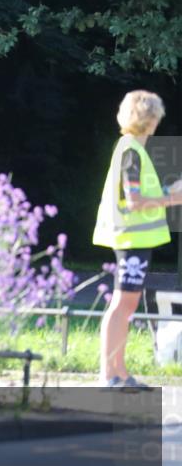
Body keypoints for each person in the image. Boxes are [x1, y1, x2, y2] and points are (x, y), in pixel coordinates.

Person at [92, 90, 182, 390]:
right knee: (122, 304)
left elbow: (138, 195)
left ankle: (119, 373)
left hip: (134, 240)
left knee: (126, 305)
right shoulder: (131, 150)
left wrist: (168, 192)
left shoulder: (131, 149)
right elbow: (134, 201)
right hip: (131, 239)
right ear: (151, 119)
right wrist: (174, 198)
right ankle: (109, 374)